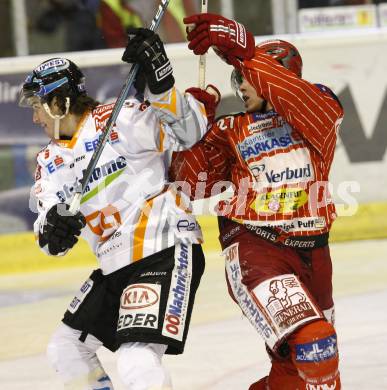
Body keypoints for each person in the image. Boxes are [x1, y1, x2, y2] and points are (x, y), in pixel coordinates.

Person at [21, 28, 215, 390]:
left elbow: (190, 132)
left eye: (37, 108)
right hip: (115, 266)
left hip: (163, 249)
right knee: (66, 349)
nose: (35, 119)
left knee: (136, 355)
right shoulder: (48, 161)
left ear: (58, 103)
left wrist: (160, 83)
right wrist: (52, 229)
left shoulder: (120, 119)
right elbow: (48, 237)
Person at [171, 13, 344, 390]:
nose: (240, 84)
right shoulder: (231, 127)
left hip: (314, 251)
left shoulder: (319, 107)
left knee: (295, 371)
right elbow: (190, 186)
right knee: (316, 347)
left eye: (247, 76)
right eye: (238, 78)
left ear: (279, 74)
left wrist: (245, 53)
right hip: (254, 246)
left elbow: (298, 99)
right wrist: (194, 131)